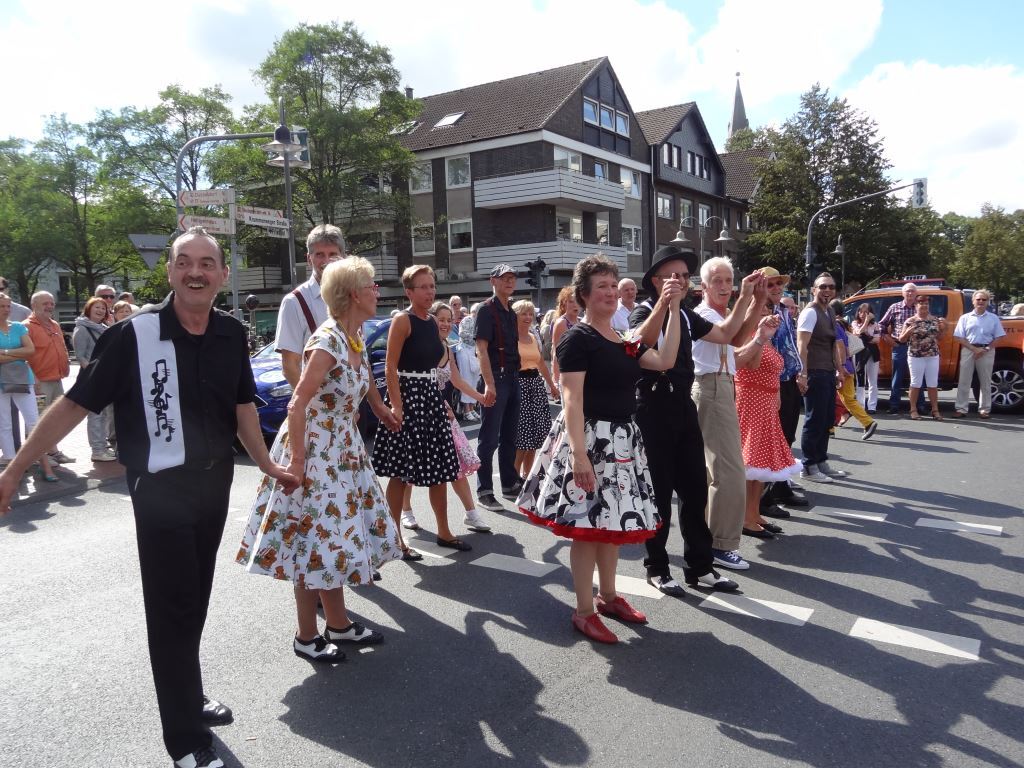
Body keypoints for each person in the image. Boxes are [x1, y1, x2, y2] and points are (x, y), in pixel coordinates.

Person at [0, 227, 297, 768]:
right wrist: (16, 468)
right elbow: (74, 406)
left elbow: (244, 408)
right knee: (171, 609)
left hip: (213, 484)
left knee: (196, 599)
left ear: (222, 275)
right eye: (185, 262)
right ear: (170, 272)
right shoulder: (133, 335)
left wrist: (268, 462)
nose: (196, 272)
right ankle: (183, 740)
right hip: (159, 489)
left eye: (208, 263)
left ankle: (189, 696)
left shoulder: (231, 334)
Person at [237, 257, 400, 664]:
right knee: (310, 542)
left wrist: (379, 409)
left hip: (342, 449)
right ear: (352, 294)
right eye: (372, 284)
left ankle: (340, 625)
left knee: (335, 539)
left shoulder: (354, 336)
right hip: (317, 451)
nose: (377, 290)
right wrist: (297, 463)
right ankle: (306, 636)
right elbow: (297, 404)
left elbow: (363, 383)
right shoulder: (328, 340)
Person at [517, 254, 682, 644]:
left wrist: (671, 307)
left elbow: (665, 359)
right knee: (587, 530)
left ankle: (608, 597)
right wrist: (579, 455)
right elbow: (572, 400)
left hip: (623, 439)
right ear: (585, 296)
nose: (610, 292)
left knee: (610, 524)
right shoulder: (578, 338)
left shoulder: (623, 339)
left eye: (613, 285)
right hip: (590, 440)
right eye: (602, 287)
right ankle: (584, 610)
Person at [631, 245, 759, 594]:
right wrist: (665, 304)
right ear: (656, 281)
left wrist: (747, 296)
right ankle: (657, 567)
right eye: (673, 276)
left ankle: (700, 566)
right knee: (658, 494)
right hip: (652, 411)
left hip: (684, 406)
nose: (680, 282)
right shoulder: (642, 310)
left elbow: (727, 334)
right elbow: (639, 342)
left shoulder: (687, 314)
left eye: (685, 276)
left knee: (695, 489)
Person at [373, 265, 467, 553]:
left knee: (441, 471)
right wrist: (397, 406)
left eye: (432, 286)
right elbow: (390, 366)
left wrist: (443, 403)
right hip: (408, 399)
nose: (430, 292)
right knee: (401, 472)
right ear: (409, 292)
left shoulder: (430, 323)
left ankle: (444, 531)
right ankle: (395, 538)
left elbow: (439, 367)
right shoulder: (403, 320)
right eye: (423, 287)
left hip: (430, 398)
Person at [691, 256, 763, 571]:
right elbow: (727, 332)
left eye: (728, 280)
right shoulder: (703, 313)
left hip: (721, 385)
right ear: (703, 286)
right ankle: (721, 544)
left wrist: (757, 300)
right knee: (729, 470)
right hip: (711, 386)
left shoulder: (718, 313)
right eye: (717, 280)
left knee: (720, 469)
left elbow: (736, 337)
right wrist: (748, 298)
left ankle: (716, 540)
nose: (724, 286)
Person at [734, 298, 801, 538]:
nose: (767, 312)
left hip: (766, 403)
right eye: (761, 307)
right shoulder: (749, 336)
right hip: (751, 402)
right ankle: (744, 517)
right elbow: (749, 365)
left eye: (769, 308)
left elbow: (774, 371)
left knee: (761, 465)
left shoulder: (767, 336)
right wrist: (761, 336)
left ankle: (753, 514)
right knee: (751, 464)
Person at [759, 268, 807, 514]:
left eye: (779, 284)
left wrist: (800, 371)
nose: (777, 288)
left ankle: (781, 487)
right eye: (771, 285)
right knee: (771, 441)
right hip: (770, 384)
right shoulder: (760, 313)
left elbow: (790, 345)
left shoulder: (783, 312)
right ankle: (764, 499)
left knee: (787, 437)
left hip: (787, 380)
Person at [474, 264, 522, 511]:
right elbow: (481, 349)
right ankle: (484, 490)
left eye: (512, 278)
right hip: (497, 378)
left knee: (509, 436)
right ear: (493, 281)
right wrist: (490, 383)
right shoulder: (485, 310)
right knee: (489, 438)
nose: (510, 282)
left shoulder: (511, 312)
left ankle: (509, 482)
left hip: (513, 377)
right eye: (505, 278)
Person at [275, 224, 345, 388]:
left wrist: (377, 405)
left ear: (343, 257)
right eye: (320, 254)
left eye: (333, 254)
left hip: (355, 404)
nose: (327, 261)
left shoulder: (353, 295)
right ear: (309, 259)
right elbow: (290, 366)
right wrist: (311, 408)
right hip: (321, 407)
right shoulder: (295, 302)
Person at [0, 293, 57, 481]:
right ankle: (11, 466)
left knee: (34, 422)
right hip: (1, 382)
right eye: (2, 306)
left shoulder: (17, 327)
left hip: (23, 379)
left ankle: (44, 464)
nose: (6, 310)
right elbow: (24, 352)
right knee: (5, 424)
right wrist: (19, 355)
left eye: (8, 306)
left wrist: (6, 353)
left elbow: (30, 351)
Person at [797, 273, 847, 483]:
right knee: (814, 420)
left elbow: (833, 343)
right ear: (814, 290)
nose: (827, 291)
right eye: (823, 287)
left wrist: (840, 369)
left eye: (831, 287)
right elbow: (802, 345)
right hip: (814, 372)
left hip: (827, 371)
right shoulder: (810, 313)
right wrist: (803, 373)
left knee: (827, 419)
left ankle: (820, 460)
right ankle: (809, 466)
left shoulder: (830, 311)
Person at [25, 291, 73, 464]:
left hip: (56, 379)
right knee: (37, 420)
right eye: (45, 303)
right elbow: (24, 358)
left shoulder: (55, 325)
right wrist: (34, 378)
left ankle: (53, 452)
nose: (50, 306)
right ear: (34, 305)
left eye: (51, 303)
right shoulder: (26, 326)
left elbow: (62, 348)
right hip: (40, 382)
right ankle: (37, 456)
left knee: (54, 419)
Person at [512, 299, 557, 479]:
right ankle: (513, 476)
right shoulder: (510, 338)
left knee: (535, 438)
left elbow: (540, 364)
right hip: (519, 386)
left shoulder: (533, 336)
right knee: (522, 438)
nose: (528, 317)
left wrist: (552, 385)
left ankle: (526, 475)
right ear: (514, 316)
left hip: (535, 386)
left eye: (530, 313)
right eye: (524, 313)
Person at [72, 298, 117, 461]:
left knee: (104, 415)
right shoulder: (82, 329)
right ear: (88, 309)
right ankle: (97, 451)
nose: (100, 311)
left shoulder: (104, 328)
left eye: (103, 308)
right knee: (95, 415)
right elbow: (80, 356)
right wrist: (93, 373)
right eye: (97, 307)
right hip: (93, 378)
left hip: (106, 377)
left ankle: (102, 447)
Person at [953, 289, 1005, 419]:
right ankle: (961, 408)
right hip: (968, 350)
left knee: (985, 381)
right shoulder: (965, 318)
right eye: (978, 299)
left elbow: (999, 337)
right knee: (964, 380)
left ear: (987, 302)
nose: (981, 301)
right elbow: (959, 337)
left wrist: (985, 349)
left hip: (986, 351)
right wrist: (974, 349)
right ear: (973, 301)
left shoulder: (993, 318)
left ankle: (984, 409)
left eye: (984, 299)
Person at [830, 299, 878, 440]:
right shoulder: (844, 325)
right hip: (848, 367)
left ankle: (831, 428)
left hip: (841, 368)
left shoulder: (834, 325)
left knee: (835, 399)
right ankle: (866, 422)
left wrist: (841, 367)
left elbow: (840, 347)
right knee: (846, 399)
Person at [898, 294, 946, 420]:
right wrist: (908, 332)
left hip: (932, 355)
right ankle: (913, 410)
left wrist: (943, 329)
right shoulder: (910, 321)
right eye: (921, 303)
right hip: (915, 356)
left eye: (926, 303)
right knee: (915, 383)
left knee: (932, 383)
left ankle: (935, 410)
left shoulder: (935, 320)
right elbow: (901, 339)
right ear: (916, 305)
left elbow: (940, 338)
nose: (924, 305)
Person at [879, 282, 921, 415]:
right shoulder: (895, 307)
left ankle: (920, 406)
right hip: (900, 347)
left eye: (912, 291)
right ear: (902, 293)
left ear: (916, 294)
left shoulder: (920, 308)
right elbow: (882, 325)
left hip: (917, 347)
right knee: (897, 377)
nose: (910, 293)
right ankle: (894, 405)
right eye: (907, 291)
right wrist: (890, 340)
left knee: (918, 378)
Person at [851, 302, 880, 413]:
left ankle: (872, 406)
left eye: (866, 312)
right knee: (860, 379)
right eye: (861, 311)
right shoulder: (854, 323)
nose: (862, 314)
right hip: (859, 353)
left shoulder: (875, 324)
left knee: (872, 381)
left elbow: (877, 340)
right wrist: (866, 324)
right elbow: (858, 333)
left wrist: (864, 337)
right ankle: (861, 406)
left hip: (872, 353)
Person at [456, 302, 483, 421]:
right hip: (465, 350)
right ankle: (466, 410)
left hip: (475, 351)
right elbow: (462, 334)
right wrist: (478, 337)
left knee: (474, 380)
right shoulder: (467, 320)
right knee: (466, 379)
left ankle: (472, 408)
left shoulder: (480, 321)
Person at [550, 286, 580, 390]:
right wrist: (556, 379)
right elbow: (555, 352)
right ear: (564, 303)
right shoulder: (561, 323)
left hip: (580, 372)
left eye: (578, 301)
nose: (575, 305)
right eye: (571, 301)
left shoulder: (581, 321)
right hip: (567, 373)